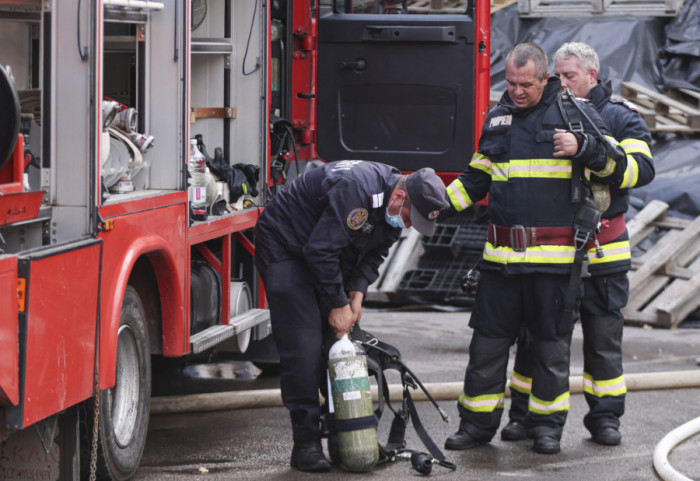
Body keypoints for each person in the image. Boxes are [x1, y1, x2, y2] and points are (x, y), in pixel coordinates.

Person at [442, 43, 619, 455]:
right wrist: (436, 204)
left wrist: (585, 149)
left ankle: (547, 428)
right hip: (500, 263)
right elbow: (477, 176)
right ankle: (475, 426)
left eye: (527, 84)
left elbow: (616, 164)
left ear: (545, 79)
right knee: (486, 346)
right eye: (512, 83)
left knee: (549, 349)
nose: (517, 91)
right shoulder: (498, 117)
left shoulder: (574, 113)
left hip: (554, 265)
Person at [501, 42, 655, 447]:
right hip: (550, 252)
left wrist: (594, 153)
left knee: (603, 344)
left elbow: (642, 169)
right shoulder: (539, 114)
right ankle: (524, 415)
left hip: (603, 253)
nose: (561, 83)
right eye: (558, 76)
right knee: (537, 339)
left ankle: (605, 420)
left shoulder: (620, 117)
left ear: (592, 76)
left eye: (569, 76)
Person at [254, 160, 449, 472]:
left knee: (340, 346)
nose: (410, 226)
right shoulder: (359, 190)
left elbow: (375, 252)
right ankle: (305, 445)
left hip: (324, 252)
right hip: (285, 247)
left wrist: (357, 293)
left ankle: (344, 436)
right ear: (399, 198)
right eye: (412, 218)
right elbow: (319, 251)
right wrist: (338, 304)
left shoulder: (393, 205)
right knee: (303, 347)